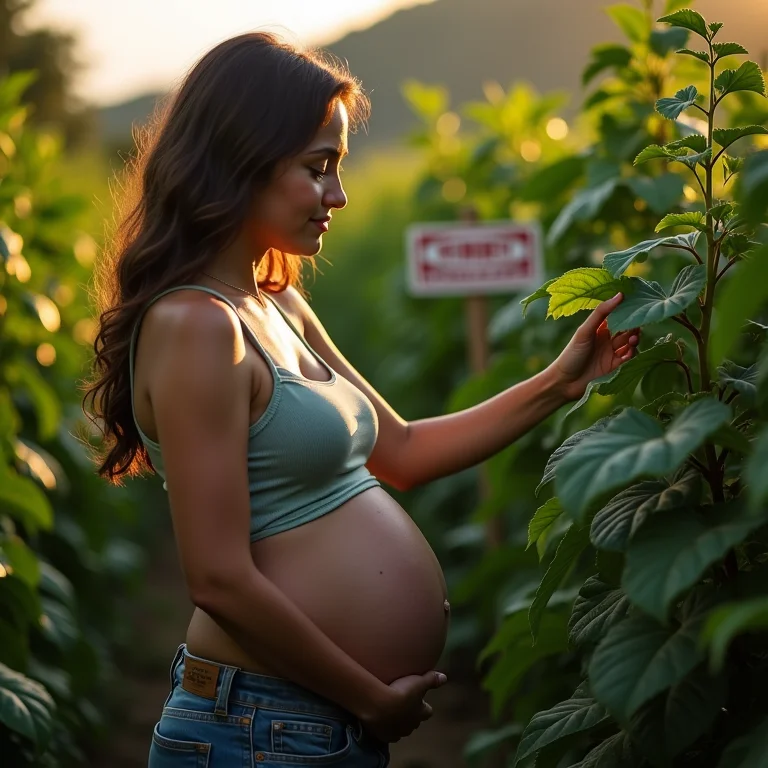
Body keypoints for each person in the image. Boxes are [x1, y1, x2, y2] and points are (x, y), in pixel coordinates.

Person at [83, 31, 640, 768]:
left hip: (301, 725)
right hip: (258, 727)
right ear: (240, 158)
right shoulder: (196, 326)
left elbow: (403, 452)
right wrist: (368, 696)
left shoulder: (277, 304)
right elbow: (216, 576)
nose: (337, 196)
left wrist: (563, 381)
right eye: (318, 169)